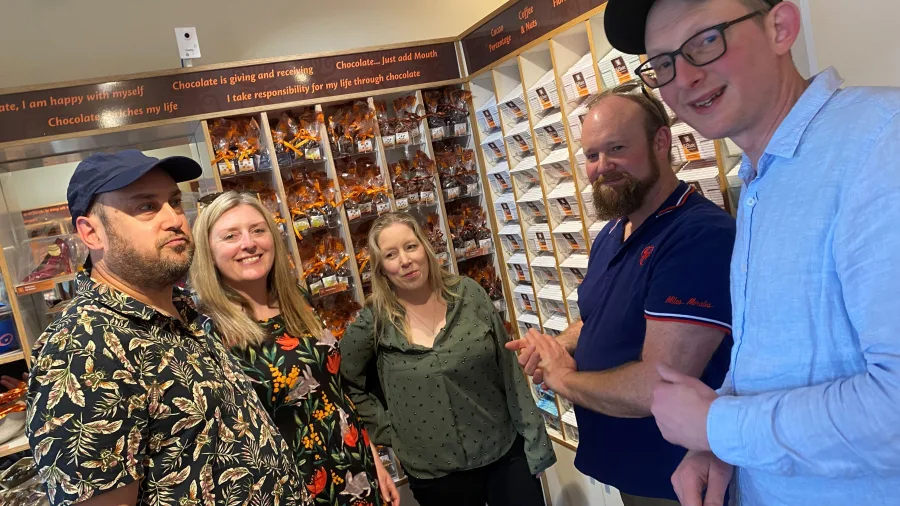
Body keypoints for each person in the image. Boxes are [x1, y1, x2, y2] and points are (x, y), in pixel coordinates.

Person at [603, 0, 900, 505]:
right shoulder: (762, 178)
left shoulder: (880, 143)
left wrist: (718, 427)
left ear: (781, 27)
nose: (685, 78)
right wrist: (719, 448)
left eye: (705, 40)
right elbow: (781, 366)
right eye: (664, 62)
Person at [25, 150, 301, 506]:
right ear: (91, 232)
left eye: (174, 202)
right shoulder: (80, 350)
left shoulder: (183, 312)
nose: (174, 219)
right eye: (146, 207)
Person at [506, 83, 735, 506]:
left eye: (616, 149)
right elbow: (602, 316)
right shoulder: (614, 232)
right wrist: (558, 344)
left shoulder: (698, 235)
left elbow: (657, 385)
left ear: (661, 142)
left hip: (677, 476)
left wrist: (563, 377)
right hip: (629, 466)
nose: (602, 166)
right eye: (592, 155)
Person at [189, 191, 400, 506]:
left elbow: (334, 392)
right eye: (230, 235)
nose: (248, 243)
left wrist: (374, 457)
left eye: (258, 230)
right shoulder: (208, 332)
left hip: (355, 471)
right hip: (294, 491)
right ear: (208, 251)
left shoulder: (296, 300)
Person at [340, 212, 555, 506]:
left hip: (503, 454)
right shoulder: (374, 322)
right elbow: (345, 380)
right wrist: (388, 429)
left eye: (411, 247)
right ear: (381, 269)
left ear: (426, 249)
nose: (405, 260)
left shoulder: (468, 295)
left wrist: (535, 443)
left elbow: (509, 373)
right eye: (391, 254)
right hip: (435, 475)